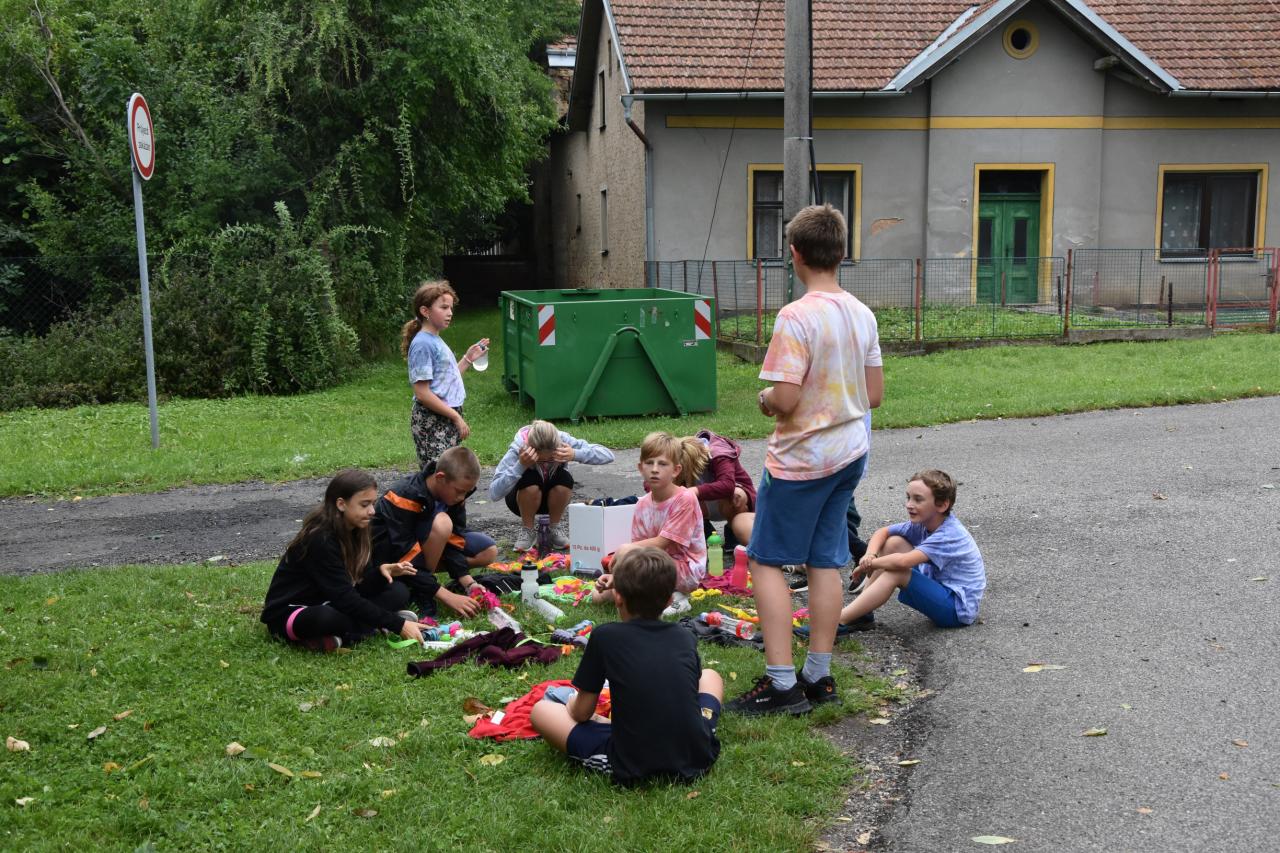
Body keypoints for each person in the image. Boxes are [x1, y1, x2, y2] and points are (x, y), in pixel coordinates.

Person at [725, 203, 883, 716]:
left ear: (794, 254)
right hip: (849, 454)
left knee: (766, 560)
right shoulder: (862, 313)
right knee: (824, 560)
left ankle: (782, 684)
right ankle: (819, 673)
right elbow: (874, 394)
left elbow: (786, 398)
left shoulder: (796, 316)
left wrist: (766, 398)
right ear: (842, 253)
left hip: (802, 461)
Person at [530, 547, 723, 786]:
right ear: (669, 600)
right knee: (711, 676)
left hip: (631, 759)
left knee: (541, 711)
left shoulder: (605, 636)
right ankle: (698, 726)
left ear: (618, 597)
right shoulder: (684, 636)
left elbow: (581, 713)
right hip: (697, 752)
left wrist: (570, 703)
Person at [260, 469, 428, 651]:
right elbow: (345, 598)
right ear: (341, 504)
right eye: (364, 505)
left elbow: (359, 587)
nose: (372, 511)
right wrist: (398, 624)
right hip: (294, 612)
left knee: (398, 591)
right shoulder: (320, 538)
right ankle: (365, 629)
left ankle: (347, 633)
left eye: (373, 503)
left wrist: (381, 573)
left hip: (332, 601)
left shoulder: (359, 528)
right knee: (328, 617)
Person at [822, 469, 985, 633]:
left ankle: (836, 622)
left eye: (918, 499)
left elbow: (903, 562)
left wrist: (869, 565)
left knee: (897, 572)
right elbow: (883, 532)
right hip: (941, 589)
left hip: (956, 609)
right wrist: (869, 555)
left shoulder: (948, 535)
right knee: (894, 543)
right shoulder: (925, 522)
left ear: (942, 505)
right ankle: (862, 614)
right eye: (908, 497)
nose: (909, 505)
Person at [591, 432, 706, 617]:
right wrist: (616, 576)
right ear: (640, 468)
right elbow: (640, 550)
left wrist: (625, 551)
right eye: (649, 463)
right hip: (654, 565)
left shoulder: (685, 499)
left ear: (676, 470)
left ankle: (677, 597)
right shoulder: (642, 504)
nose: (654, 469)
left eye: (662, 464)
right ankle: (656, 594)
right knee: (599, 596)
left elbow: (662, 543)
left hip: (685, 570)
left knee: (627, 556)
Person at [370, 446, 490, 619]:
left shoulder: (453, 495)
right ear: (440, 478)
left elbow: (454, 539)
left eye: (467, 492)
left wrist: (468, 583)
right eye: (459, 491)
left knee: (488, 551)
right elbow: (406, 553)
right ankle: (423, 592)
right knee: (442, 523)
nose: (462, 497)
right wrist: (443, 595)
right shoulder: (404, 496)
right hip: (391, 557)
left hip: (421, 550)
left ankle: (432, 584)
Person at [488, 420, 615, 552]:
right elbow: (494, 493)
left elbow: (608, 455)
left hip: (553, 498)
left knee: (564, 478)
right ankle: (527, 530)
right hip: (521, 500)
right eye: (540, 460)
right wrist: (520, 465)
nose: (546, 463)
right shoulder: (518, 448)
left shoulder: (563, 441)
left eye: (551, 459)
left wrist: (575, 454)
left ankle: (553, 528)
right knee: (529, 479)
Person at [401, 280, 489, 468]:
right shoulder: (423, 344)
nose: (450, 312)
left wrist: (468, 359)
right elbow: (422, 393)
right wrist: (456, 417)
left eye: (450, 307)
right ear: (425, 311)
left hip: (444, 416)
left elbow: (445, 380)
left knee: (449, 473)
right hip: (432, 420)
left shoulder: (434, 339)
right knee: (438, 475)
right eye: (443, 307)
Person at [681, 430, 756, 553]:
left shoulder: (719, 453)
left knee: (735, 496)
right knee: (680, 496)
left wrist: (695, 490)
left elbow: (727, 485)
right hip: (705, 504)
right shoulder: (678, 457)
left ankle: (733, 533)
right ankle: (704, 530)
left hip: (726, 500)